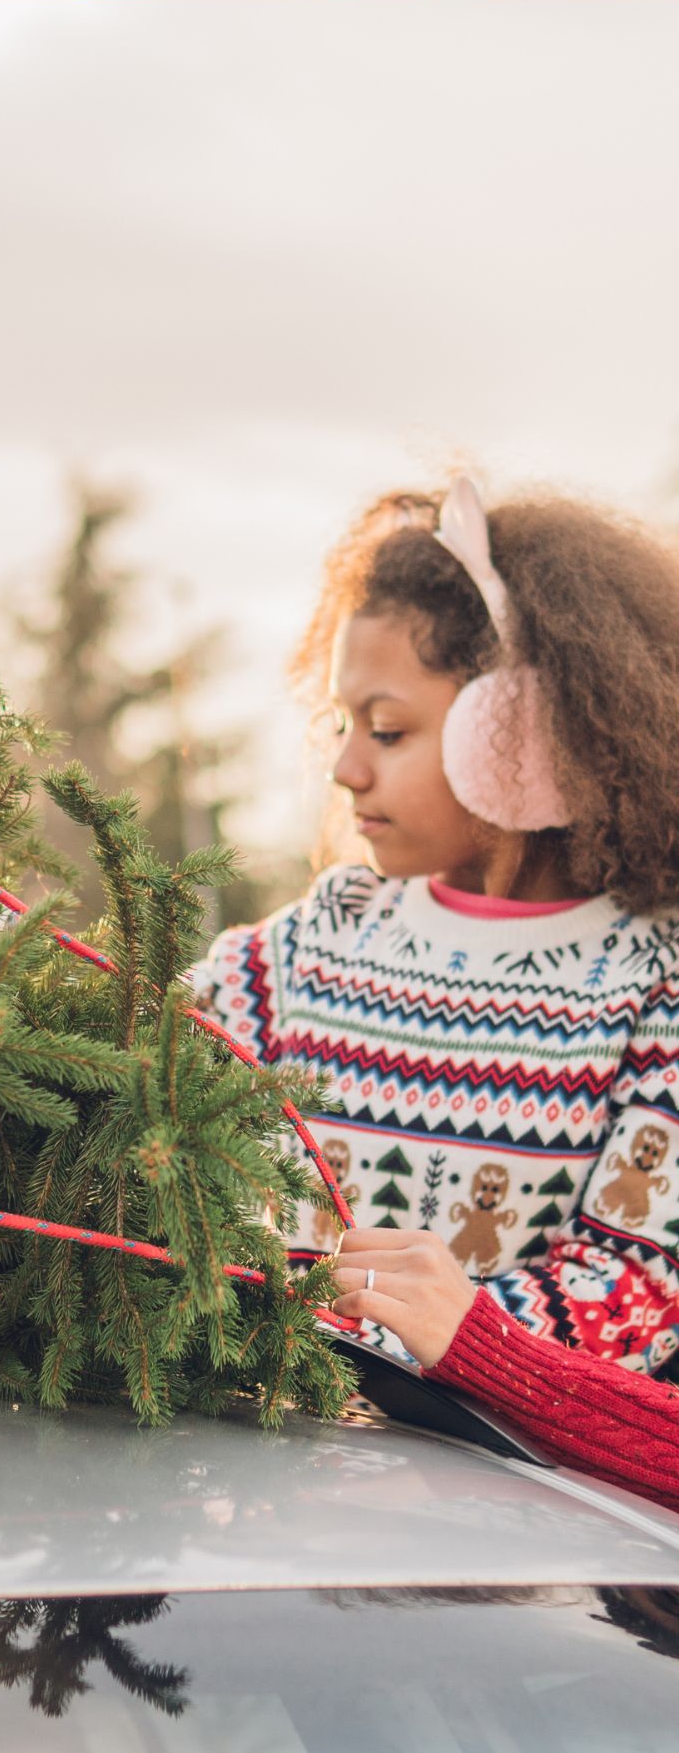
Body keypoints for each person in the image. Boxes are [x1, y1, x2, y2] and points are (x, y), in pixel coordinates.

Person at [189, 478, 679, 1509]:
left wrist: (412, 1328)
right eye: (340, 723)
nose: (343, 766)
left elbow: (633, 1285)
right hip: (276, 1505)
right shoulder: (322, 937)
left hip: (521, 1550)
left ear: (524, 732)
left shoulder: (652, 987)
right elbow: (139, 1067)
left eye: (387, 730)